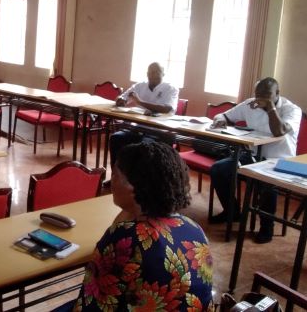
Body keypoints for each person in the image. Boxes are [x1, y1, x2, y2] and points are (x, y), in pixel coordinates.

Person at [69, 142, 213, 311]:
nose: (111, 183)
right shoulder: (194, 228)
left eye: (115, 175)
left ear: (133, 187)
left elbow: (92, 304)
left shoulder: (125, 238)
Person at [208, 77, 301, 244]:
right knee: (219, 169)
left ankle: (267, 227)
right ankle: (232, 212)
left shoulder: (292, 110)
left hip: (279, 159)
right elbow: (224, 115)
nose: (261, 99)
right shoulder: (250, 104)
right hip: (253, 155)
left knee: (266, 182)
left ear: (277, 93)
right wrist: (220, 119)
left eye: (266, 95)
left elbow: (279, 131)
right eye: (258, 95)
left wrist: (270, 107)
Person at [109, 62, 179, 166]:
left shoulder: (170, 88)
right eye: (150, 72)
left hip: (159, 132)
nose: (153, 75)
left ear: (163, 74)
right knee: (116, 138)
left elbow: (167, 109)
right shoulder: (140, 86)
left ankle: (138, 176)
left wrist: (140, 102)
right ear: (147, 74)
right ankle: (117, 172)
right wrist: (120, 100)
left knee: (144, 146)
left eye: (157, 72)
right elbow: (123, 96)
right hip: (139, 128)